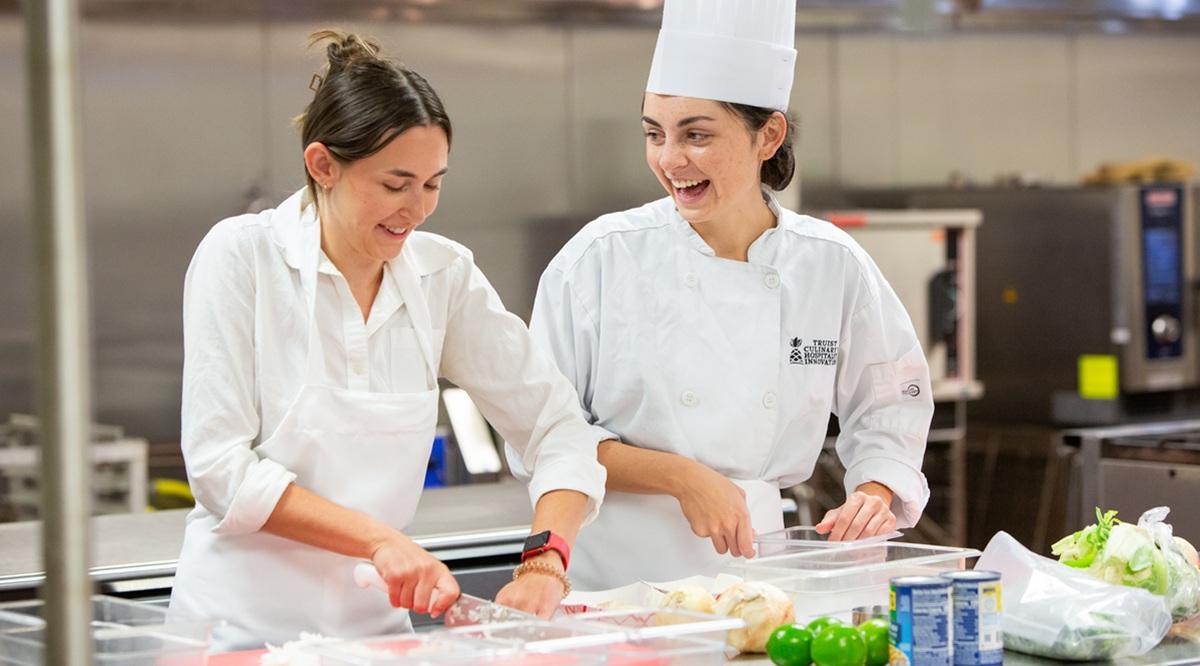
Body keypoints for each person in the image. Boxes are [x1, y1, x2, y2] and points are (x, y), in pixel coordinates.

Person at [169, 30, 606, 649]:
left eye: (433, 184)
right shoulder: (242, 258)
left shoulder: (443, 275)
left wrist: (546, 559)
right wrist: (380, 541)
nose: (417, 208)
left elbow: (557, 426)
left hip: (373, 639)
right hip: (237, 636)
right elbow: (220, 469)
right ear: (323, 165)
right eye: (395, 184)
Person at [507, 0, 934, 590]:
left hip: (759, 572)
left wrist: (873, 490)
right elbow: (540, 431)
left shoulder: (831, 265)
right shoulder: (600, 258)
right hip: (613, 583)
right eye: (655, 133)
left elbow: (892, 402)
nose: (669, 159)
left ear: (769, 134)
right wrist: (681, 476)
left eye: (696, 134)